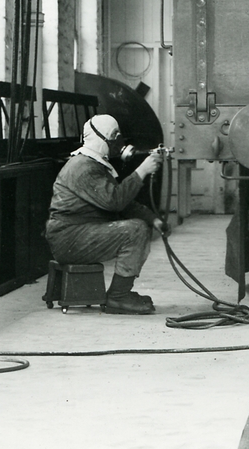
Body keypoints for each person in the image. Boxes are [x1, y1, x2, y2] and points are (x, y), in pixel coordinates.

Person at [45, 114, 164, 315]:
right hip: (69, 237)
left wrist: (153, 219)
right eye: (114, 135)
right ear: (100, 139)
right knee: (135, 231)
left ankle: (120, 293)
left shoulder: (94, 165)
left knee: (139, 226)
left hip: (75, 233)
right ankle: (118, 296)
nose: (118, 141)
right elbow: (115, 200)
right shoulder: (83, 167)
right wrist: (142, 171)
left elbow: (122, 202)